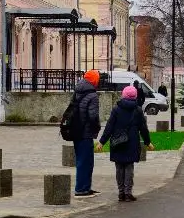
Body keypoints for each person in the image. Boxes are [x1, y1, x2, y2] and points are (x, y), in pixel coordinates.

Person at [100, 84, 148, 201]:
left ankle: (121, 192)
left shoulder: (116, 109)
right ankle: (128, 192)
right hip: (132, 142)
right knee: (129, 168)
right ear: (135, 96)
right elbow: (143, 128)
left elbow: (109, 127)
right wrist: (148, 141)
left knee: (119, 168)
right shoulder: (137, 110)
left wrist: (102, 142)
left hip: (117, 142)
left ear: (123, 95)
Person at [63, 69, 103, 197]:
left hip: (75, 130)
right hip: (85, 133)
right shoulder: (92, 95)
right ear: (94, 80)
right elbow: (93, 116)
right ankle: (81, 189)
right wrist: (96, 128)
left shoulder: (77, 91)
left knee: (82, 160)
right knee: (86, 161)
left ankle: (85, 187)